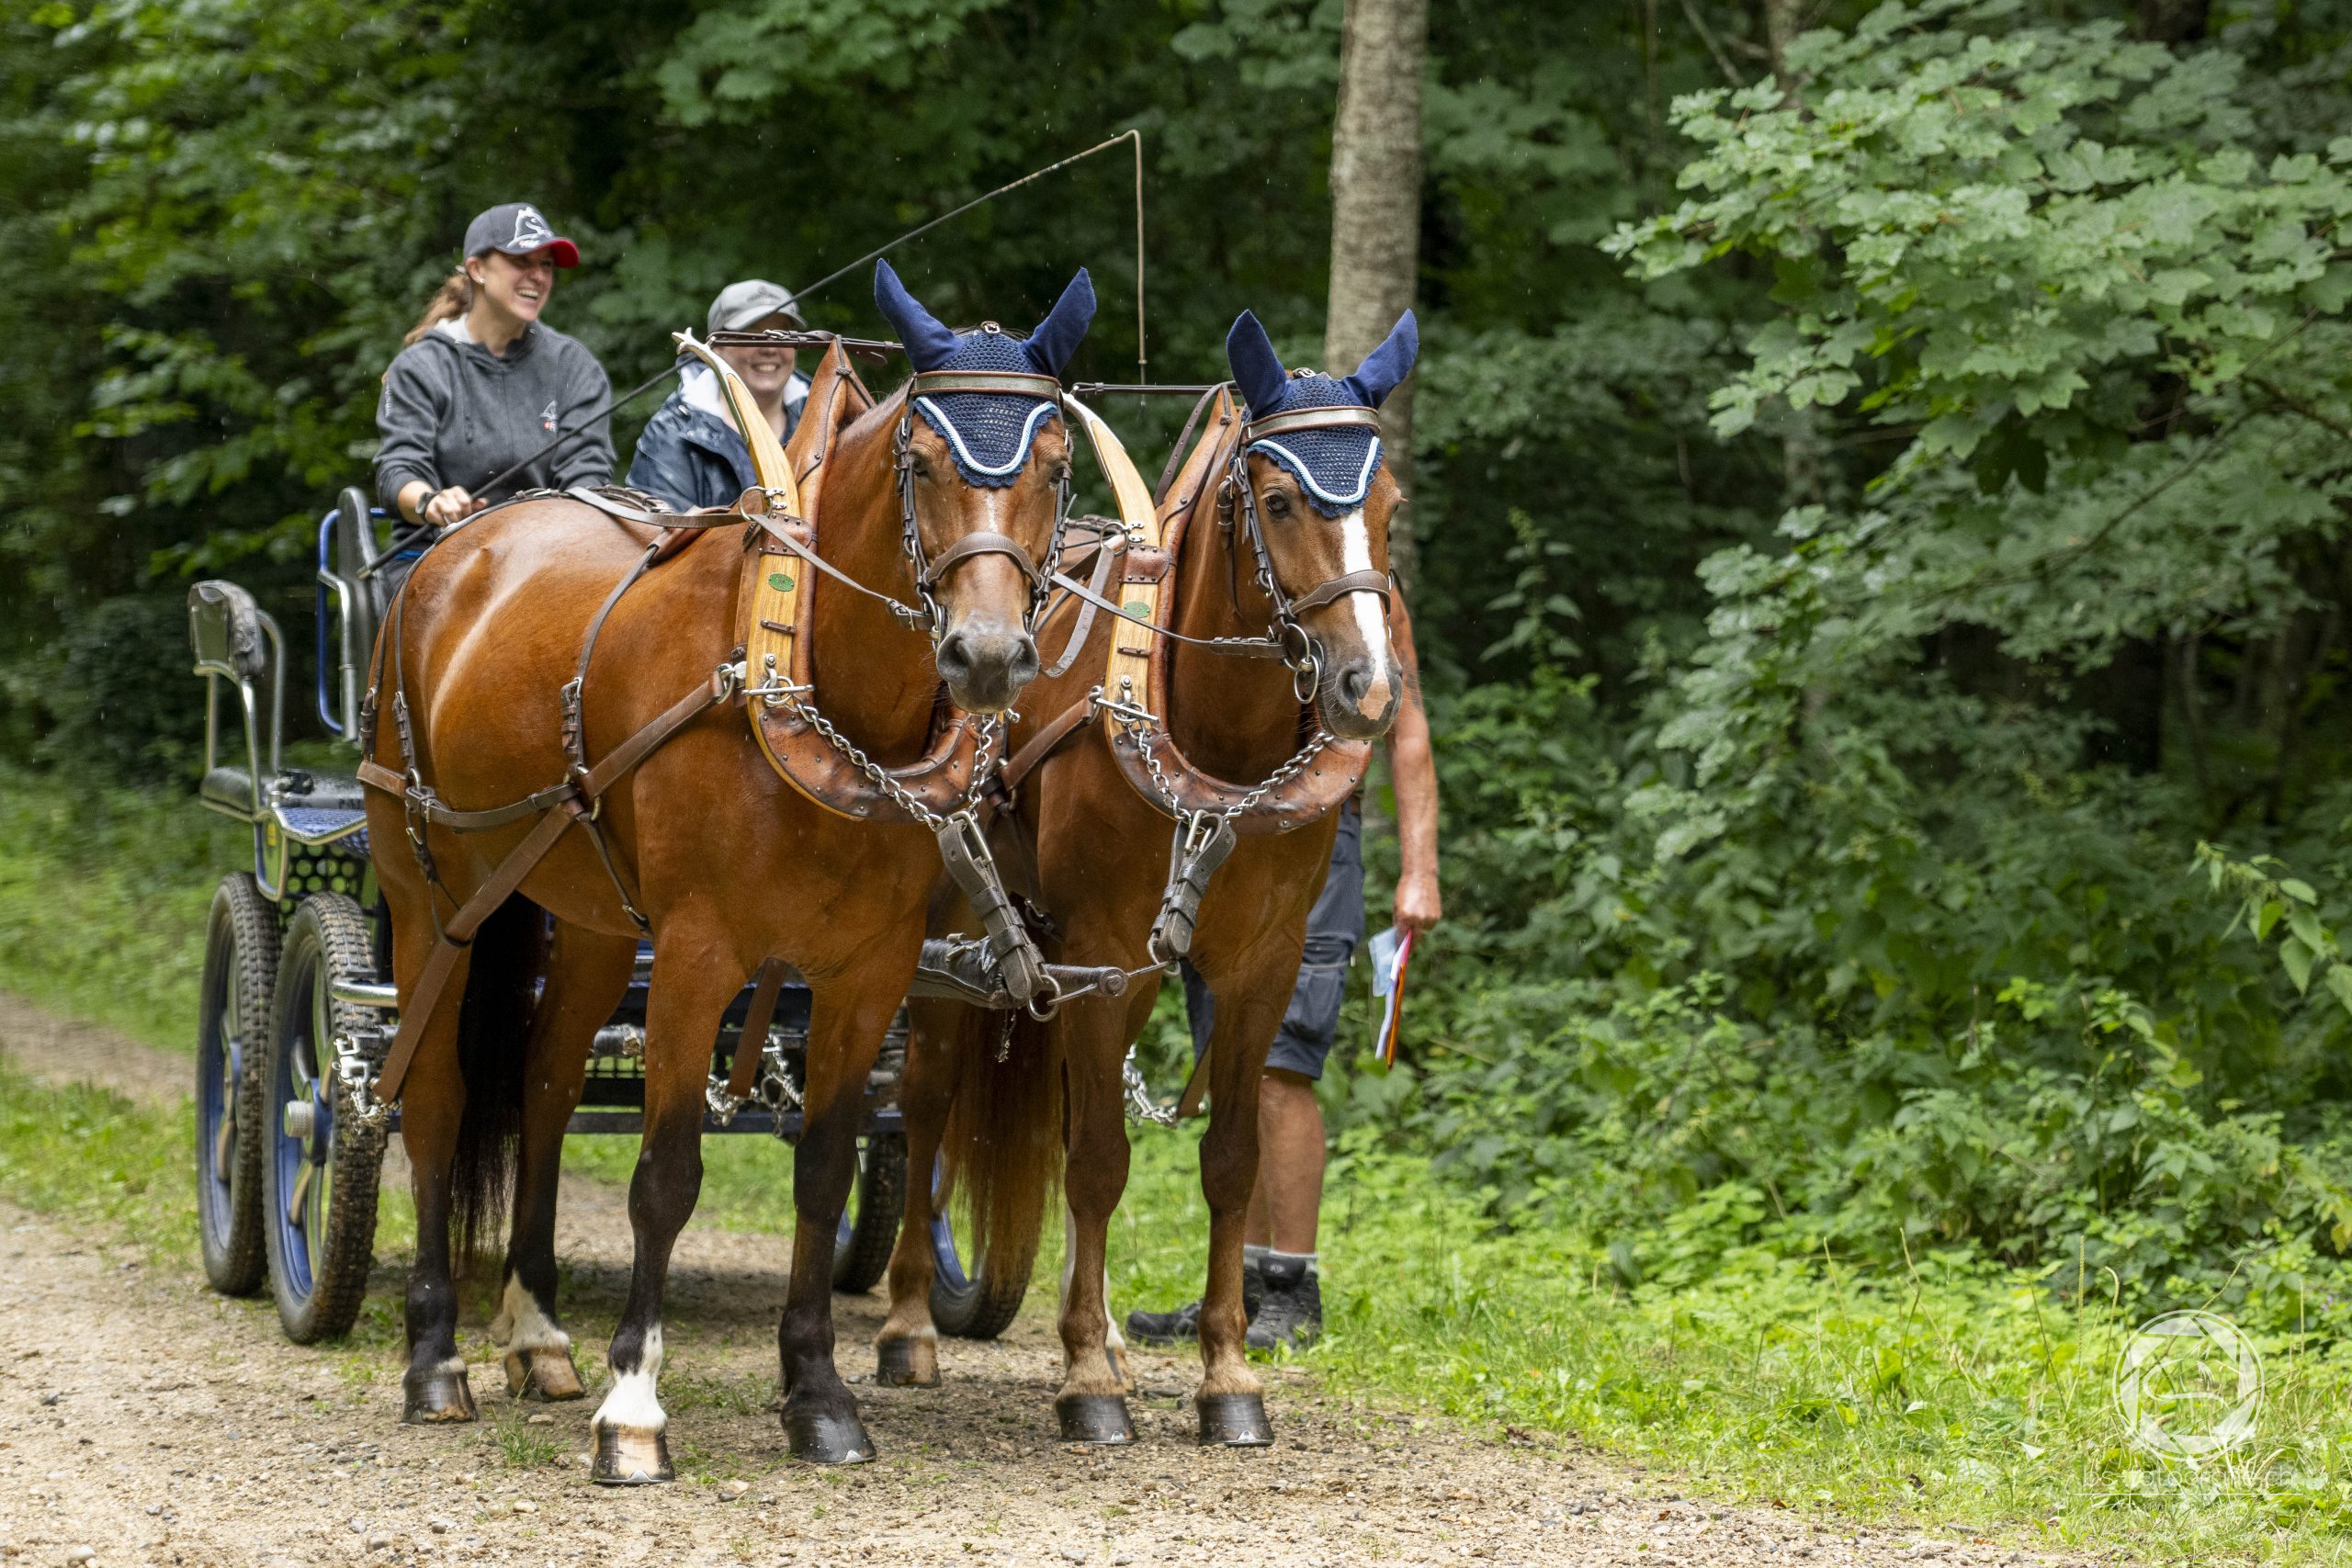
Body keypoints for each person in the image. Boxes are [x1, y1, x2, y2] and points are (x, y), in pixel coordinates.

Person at [1127, 600, 1443, 1353]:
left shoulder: (1368, 587)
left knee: (1280, 1063)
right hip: (1218, 828)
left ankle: (1295, 1291)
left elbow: (1408, 725)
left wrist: (1420, 871)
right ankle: (1236, 1289)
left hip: (1314, 835)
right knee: (1232, 1066)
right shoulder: (1234, 565)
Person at [375, 202, 615, 529]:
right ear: (477, 269)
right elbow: (399, 469)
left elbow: (587, 474)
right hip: (435, 551)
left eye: (546, 264)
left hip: (548, 552)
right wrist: (431, 501)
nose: (539, 276)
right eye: (521, 261)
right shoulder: (420, 368)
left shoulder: (574, 366)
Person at [627, 279, 813, 513]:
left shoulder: (827, 419)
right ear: (715, 347)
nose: (769, 348)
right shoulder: (672, 432)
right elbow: (661, 539)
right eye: (752, 334)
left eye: (781, 335)